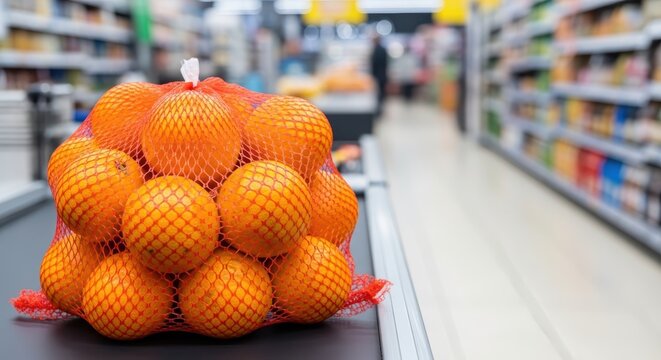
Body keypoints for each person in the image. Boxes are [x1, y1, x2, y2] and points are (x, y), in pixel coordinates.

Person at [370, 35, 388, 117]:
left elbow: (375, 64)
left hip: (378, 76)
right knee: (381, 94)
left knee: (379, 94)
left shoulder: (377, 50)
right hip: (383, 75)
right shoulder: (383, 49)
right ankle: (379, 110)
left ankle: (378, 111)